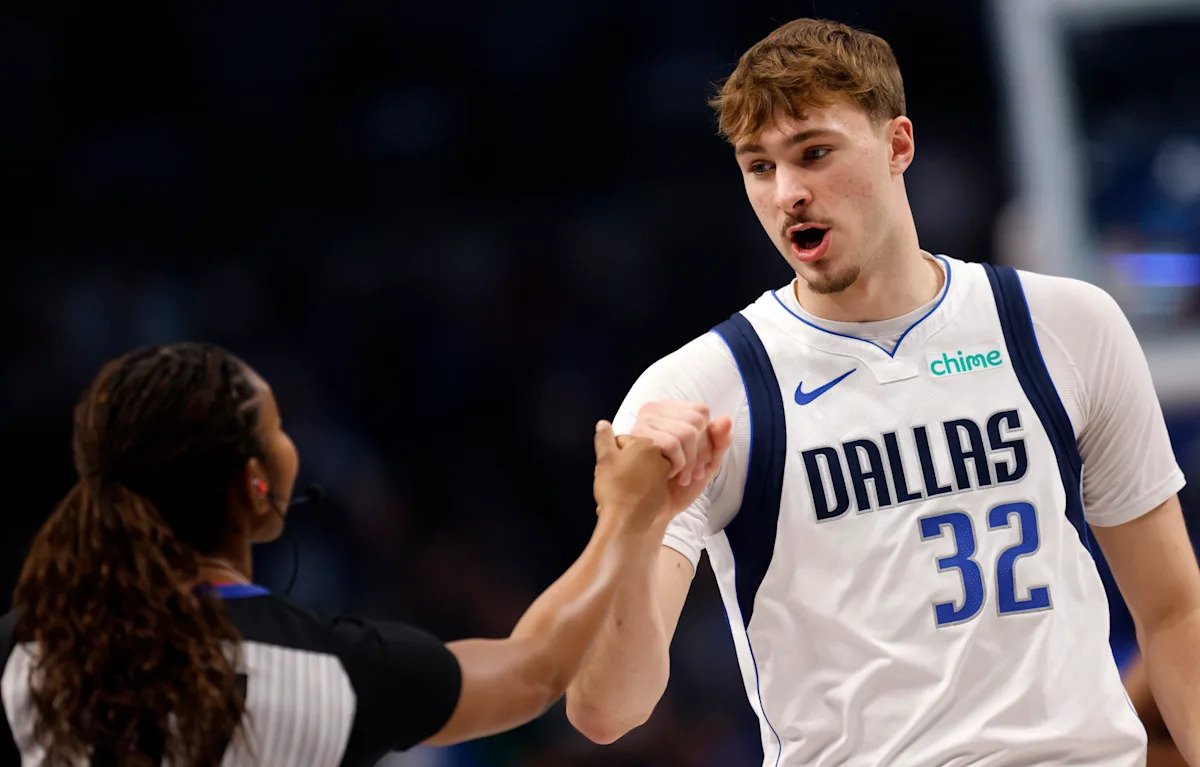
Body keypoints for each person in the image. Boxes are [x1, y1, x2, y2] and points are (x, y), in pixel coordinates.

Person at [564, 17, 1200, 766]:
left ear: (899, 144)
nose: (789, 193)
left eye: (814, 153)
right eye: (759, 166)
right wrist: (633, 527)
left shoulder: (1063, 324)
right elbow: (606, 711)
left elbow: (1173, 610)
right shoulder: (697, 390)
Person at [0, 342, 727, 766]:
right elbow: (534, 669)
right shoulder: (324, 670)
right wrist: (625, 514)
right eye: (278, 427)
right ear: (256, 484)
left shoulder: (18, 651)